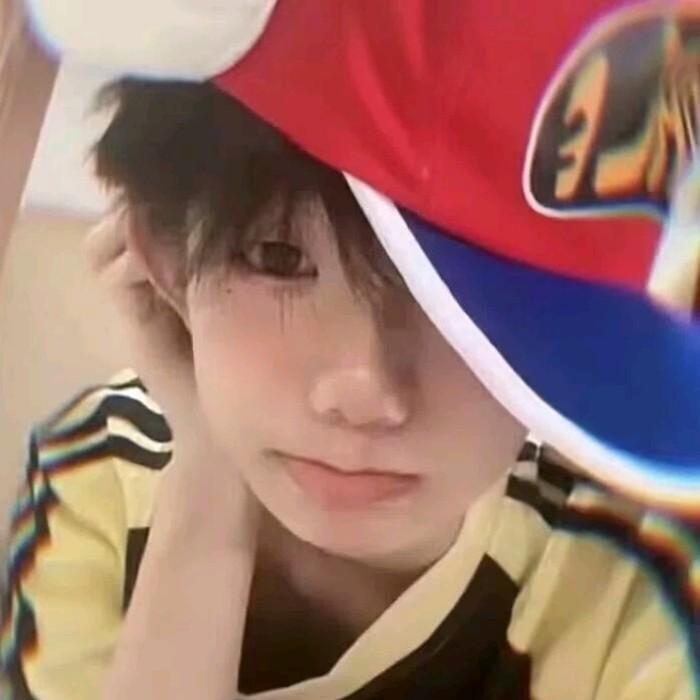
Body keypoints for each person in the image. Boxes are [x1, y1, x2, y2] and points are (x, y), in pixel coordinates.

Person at [2, 1, 700, 698]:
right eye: (277, 257)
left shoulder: (628, 581)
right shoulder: (100, 473)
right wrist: (206, 491)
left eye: (461, 310)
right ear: (161, 257)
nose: (363, 391)